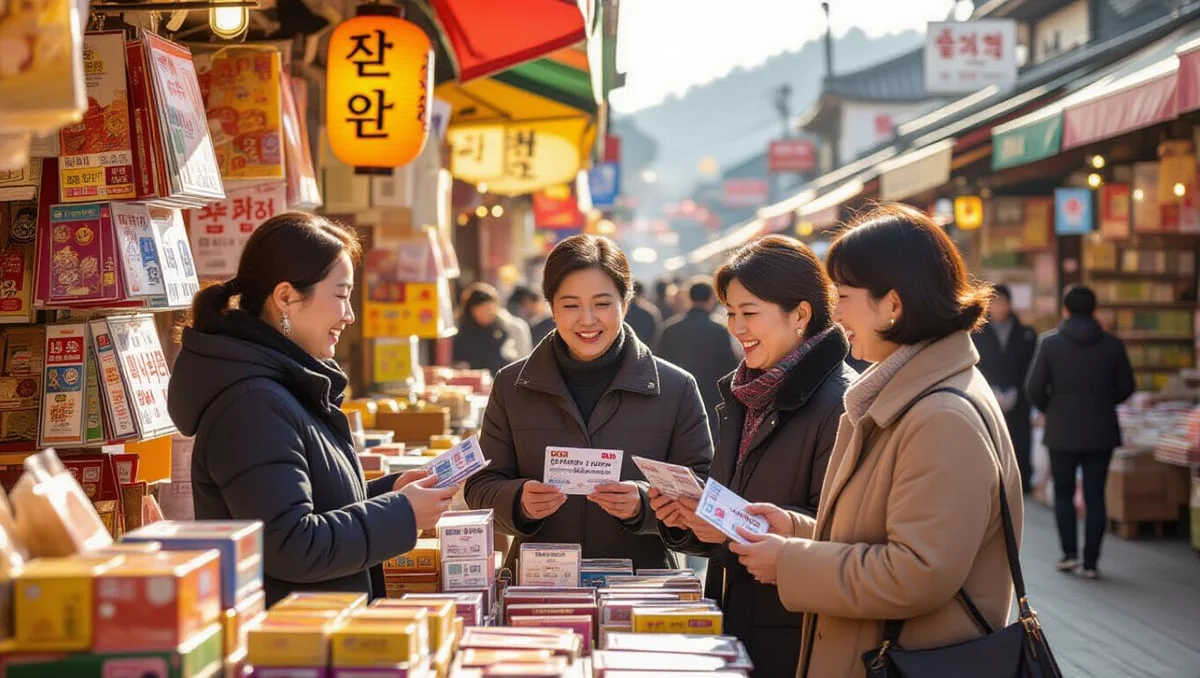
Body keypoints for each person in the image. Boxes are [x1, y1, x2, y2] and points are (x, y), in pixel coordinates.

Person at [727, 204, 1024, 678]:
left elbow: (918, 572)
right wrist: (795, 530)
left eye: (844, 296)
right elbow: (877, 538)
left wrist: (790, 563)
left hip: (909, 661)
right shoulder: (908, 395)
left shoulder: (941, 415)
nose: (837, 312)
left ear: (893, 303)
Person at [168, 213, 458, 606]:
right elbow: (292, 543)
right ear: (286, 297)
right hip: (284, 648)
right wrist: (402, 514)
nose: (349, 315)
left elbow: (310, 506)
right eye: (340, 296)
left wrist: (390, 493)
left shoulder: (282, 386)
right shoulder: (253, 405)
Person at [650, 236, 855, 677]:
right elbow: (732, 504)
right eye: (731, 313)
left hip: (796, 635)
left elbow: (842, 530)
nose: (736, 327)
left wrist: (729, 525)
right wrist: (689, 519)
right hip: (735, 619)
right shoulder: (748, 392)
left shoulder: (840, 402)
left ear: (800, 314)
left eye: (749, 313)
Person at [464, 235, 713, 571]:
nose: (587, 319)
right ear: (551, 308)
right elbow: (481, 487)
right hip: (539, 590)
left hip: (641, 590)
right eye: (570, 305)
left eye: (601, 303)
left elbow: (703, 498)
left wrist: (643, 505)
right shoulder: (512, 385)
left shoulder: (675, 388)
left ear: (625, 304)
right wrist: (518, 500)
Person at [1026, 284, 1135, 579]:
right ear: (1095, 311)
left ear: (1065, 310)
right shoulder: (1112, 345)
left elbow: (1033, 387)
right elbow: (1127, 386)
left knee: (1063, 493)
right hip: (1101, 428)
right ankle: (1091, 562)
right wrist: (1103, 401)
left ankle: (1069, 555)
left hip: (1062, 428)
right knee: (1095, 494)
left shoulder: (1049, 343)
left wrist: (1053, 408)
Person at [654, 276, 740, 440]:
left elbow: (658, 365)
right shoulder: (719, 329)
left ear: (689, 297)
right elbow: (729, 367)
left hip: (676, 397)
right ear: (711, 298)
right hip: (712, 396)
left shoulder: (670, 328)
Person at [973, 284, 1038, 493]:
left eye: (1003, 302)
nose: (999, 307)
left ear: (1010, 304)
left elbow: (1033, 367)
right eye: (995, 303)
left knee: (1020, 440)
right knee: (991, 440)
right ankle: (993, 483)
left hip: (1020, 397)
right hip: (986, 395)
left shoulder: (1026, 334)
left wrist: (1021, 392)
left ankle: (1021, 483)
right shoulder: (977, 334)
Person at [453, 283, 520, 375]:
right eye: (482, 309)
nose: (488, 313)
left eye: (490, 308)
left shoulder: (501, 331)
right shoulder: (461, 334)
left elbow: (507, 361)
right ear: (471, 310)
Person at [625, 281, 662, 346]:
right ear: (642, 293)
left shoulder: (622, 312)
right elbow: (655, 336)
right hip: (645, 349)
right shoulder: (650, 312)